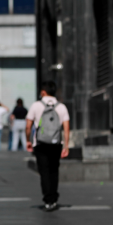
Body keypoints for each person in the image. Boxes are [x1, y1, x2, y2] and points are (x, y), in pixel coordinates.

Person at [25, 81, 70, 212]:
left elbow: (28, 126)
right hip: (56, 144)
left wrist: (28, 140)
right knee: (54, 171)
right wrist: (66, 146)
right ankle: (54, 198)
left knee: (44, 171)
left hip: (40, 144)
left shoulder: (36, 106)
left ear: (43, 92)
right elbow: (66, 128)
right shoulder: (61, 107)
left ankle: (48, 199)